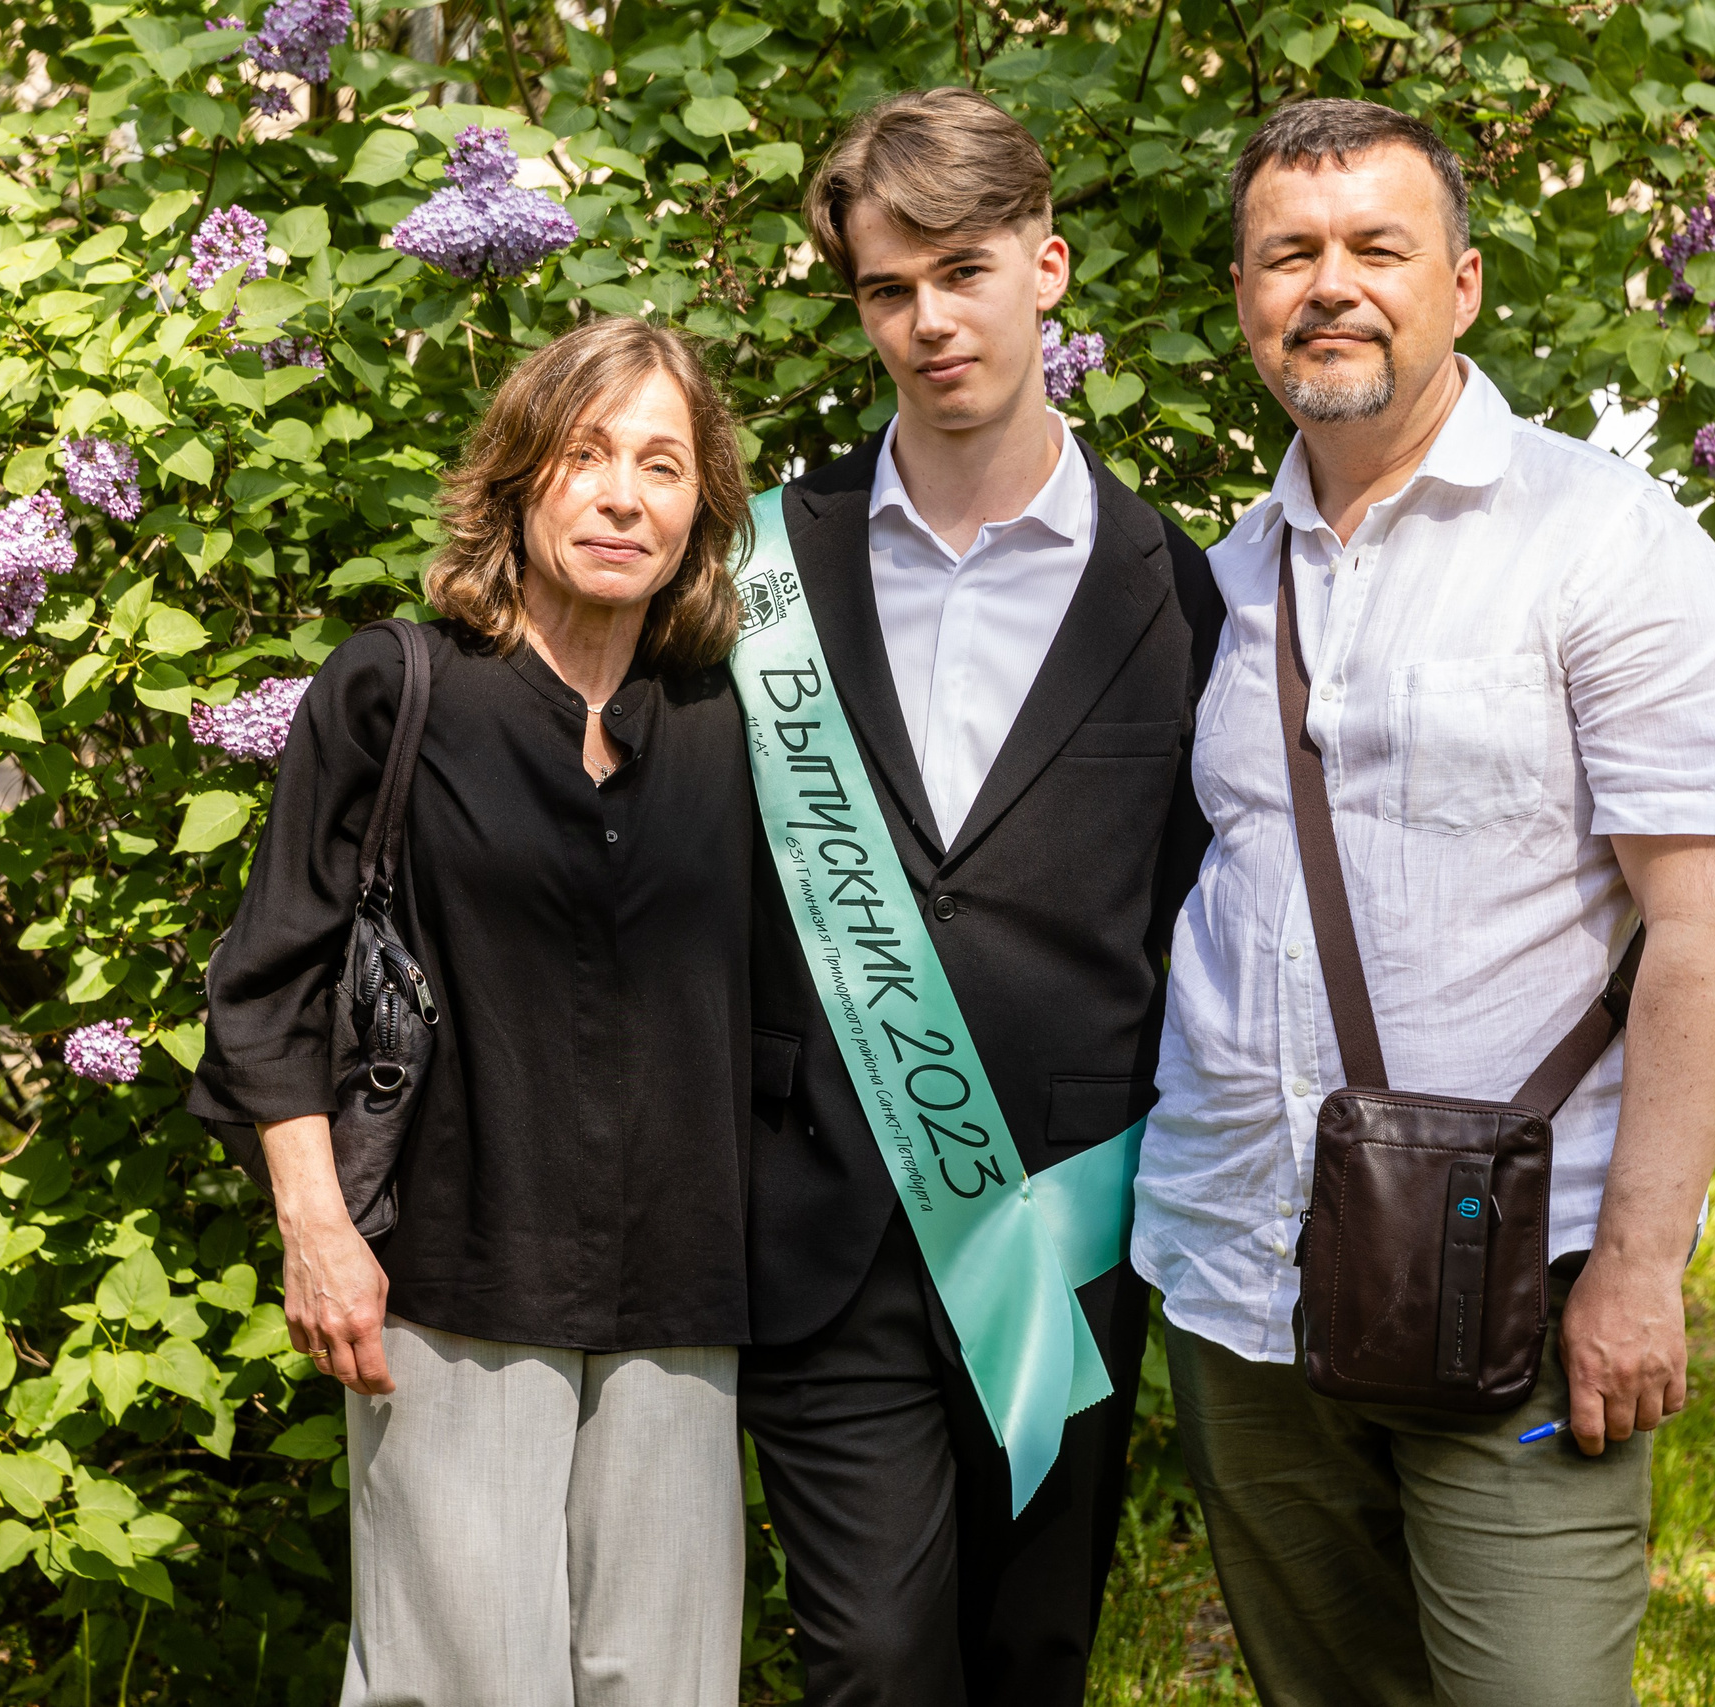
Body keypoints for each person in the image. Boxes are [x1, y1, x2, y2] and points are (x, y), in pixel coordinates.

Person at [1131, 99, 1715, 1707]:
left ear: (1465, 284)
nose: (1332, 284)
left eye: (1378, 248)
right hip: (1242, 1273)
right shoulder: (1223, 579)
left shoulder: (1607, 546)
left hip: (1513, 1287)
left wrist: (1639, 1271)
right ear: (1243, 294)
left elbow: (1706, 923)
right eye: (1291, 252)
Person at [191, 317, 757, 1707]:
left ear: (702, 509)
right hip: (446, 1279)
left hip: (680, 1290)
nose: (624, 494)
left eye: (664, 465)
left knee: (670, 1687)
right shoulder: (397, 687)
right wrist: (316, 1233)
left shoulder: (731, 717)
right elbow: (266, 989)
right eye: (587, 455)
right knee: (460, 1686)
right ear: (518, 480)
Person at [738, 87, 1223, 1707]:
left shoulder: (1181, 592)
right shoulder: (764, 572)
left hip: (1058, 1237)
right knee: (873, 1663)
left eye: (961, 270)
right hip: (829, 1226)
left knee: (1032, 1660)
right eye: (889, 287)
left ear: (1048, 268)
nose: (928, 320)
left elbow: (1190, 905)